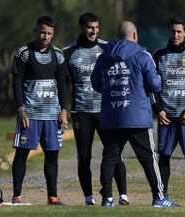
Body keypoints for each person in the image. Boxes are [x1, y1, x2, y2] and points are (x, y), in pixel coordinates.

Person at [91, 20, 179, 208]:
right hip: (137, 117)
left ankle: (107, 198)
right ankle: (159, 197)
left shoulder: (103, 57)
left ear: (117, 36)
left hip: (112, 116)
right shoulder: (142, 55)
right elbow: (154, 85)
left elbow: (96, 84)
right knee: (148, 159)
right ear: (135, 36)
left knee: (110, 158)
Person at [63, 12, 128, 206]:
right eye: (90, 27)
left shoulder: (107, 48)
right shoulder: (68, 52)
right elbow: (65, 85)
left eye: (97, 27)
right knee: (84, 156)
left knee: (114, 153)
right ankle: (88, 197)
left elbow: (120, 76)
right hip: (81, 111)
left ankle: (123, 195)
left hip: (106, 110)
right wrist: (64, 109)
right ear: (82, 28)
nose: (94, 31)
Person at [11, 16, 68, 205]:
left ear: (53, 34)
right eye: (42, 32)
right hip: (30, 115)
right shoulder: (23, 53)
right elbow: (16, 83)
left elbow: (62, 85)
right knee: (22, 153)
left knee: (52, 155)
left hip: (52, 116)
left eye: (49, 33)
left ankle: (53, 196)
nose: (45, 36)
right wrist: (21, 110)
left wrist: (64, 110)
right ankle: (17, 196)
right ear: (35, 31)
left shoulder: (59, 55)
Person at [152, 16, 185, 206]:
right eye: (172, 31)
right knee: (164, 157)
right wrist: (158, 109)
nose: (175, 34)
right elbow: (152, 85)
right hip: (166, 116)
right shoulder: (159, 54)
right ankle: (162, 195)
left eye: (179, 31)